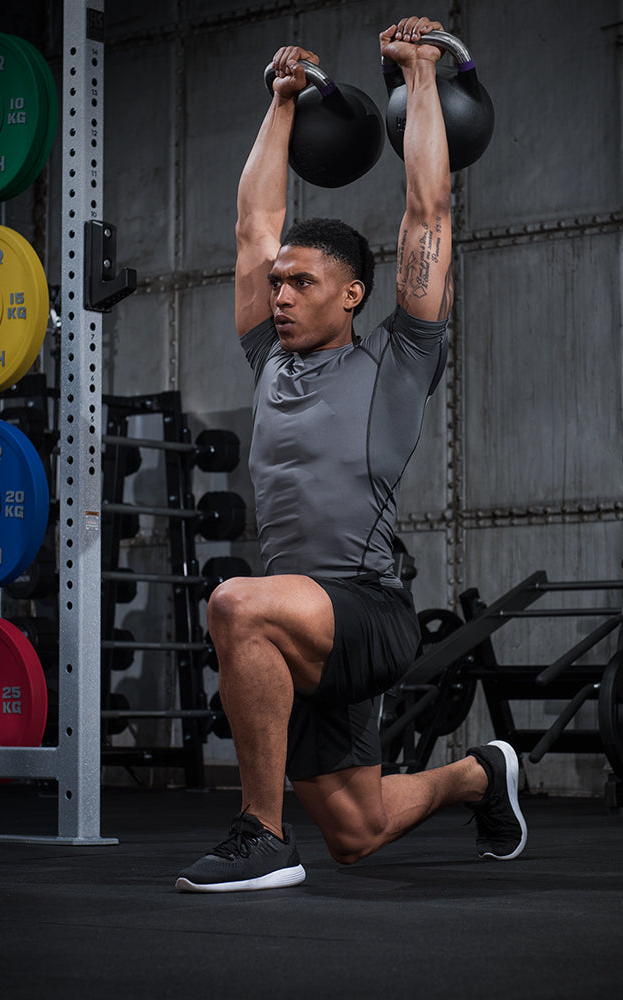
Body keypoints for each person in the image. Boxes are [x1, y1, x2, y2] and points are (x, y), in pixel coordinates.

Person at [176, 16, 527, 894]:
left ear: (354, 294)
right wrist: (282, 102)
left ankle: (259, 834)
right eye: (279, 283)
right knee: (357, 832)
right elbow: (255, 224)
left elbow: (427, 212)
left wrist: (416, 72)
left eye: (303, 284)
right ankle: (482, 775)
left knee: (234, 602)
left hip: (368, 609)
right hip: (305, 625)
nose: (280, 294)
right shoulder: (269, 359)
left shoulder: (400, 358)